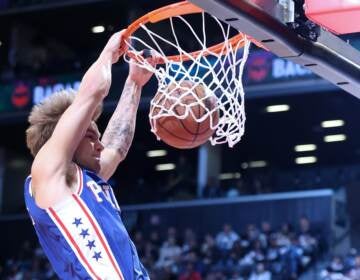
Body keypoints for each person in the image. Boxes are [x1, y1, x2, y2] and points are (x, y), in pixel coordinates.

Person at [24, 30, 159, 279]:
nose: (99, 145)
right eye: (90, 137)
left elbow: (117, 147)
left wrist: (134, 83)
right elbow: (92, 93)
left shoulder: (82, 183)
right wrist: (109, 52)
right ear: (67, 138)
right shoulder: (48, 173)